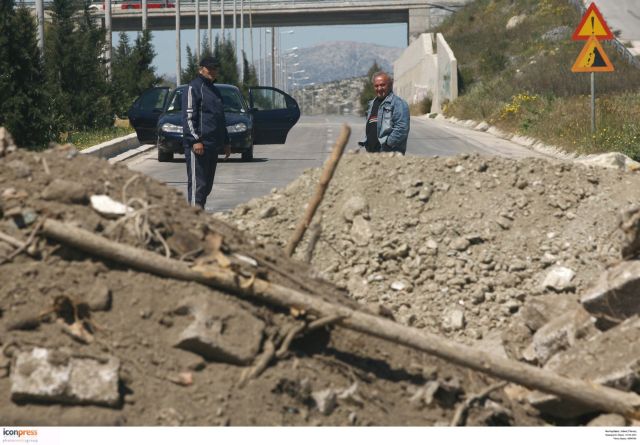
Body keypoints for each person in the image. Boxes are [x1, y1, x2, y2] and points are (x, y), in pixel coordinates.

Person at [182, 56, 231, 210]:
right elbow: (189, 116)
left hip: (213, 146)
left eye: (215, 68)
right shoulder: (193, 88)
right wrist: (195, 140)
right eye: (210, 68)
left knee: (207, 186)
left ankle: (199, 214)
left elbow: (220, 119)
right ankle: (193, 220)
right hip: (199, 146)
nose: (213, 71)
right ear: (201, 69)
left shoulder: (214, 90)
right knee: (198, 185)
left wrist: (226, 141)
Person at [358, 71, 410, 155]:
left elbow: (402, 129)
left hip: (389, 155)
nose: (379, 88)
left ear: (390, 85)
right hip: (372, 154)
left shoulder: (398, 103)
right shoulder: (372, 104)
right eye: (376, 86)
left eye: (382, 85)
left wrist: (387, 145)